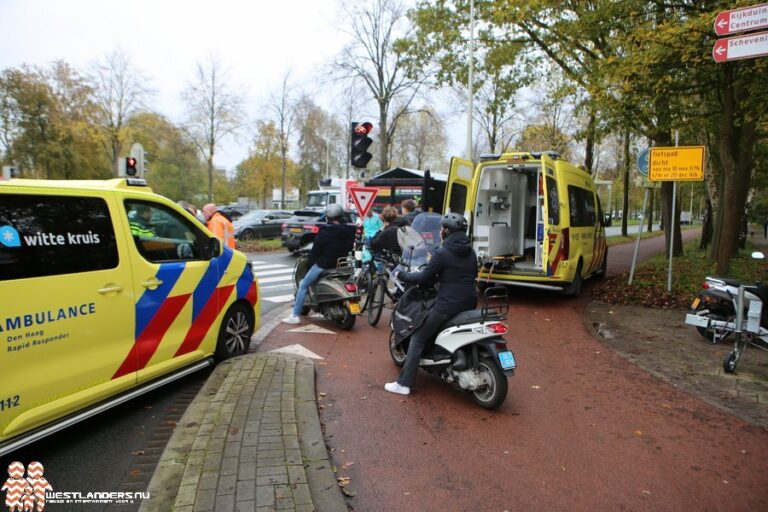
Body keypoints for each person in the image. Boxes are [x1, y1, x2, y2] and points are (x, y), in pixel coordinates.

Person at [384, 213, 478, 395]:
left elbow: (423, 277)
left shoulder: (442, 253)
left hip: (447, 304)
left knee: (418, 338)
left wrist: (401, 275)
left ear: (448, 231)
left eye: (443, 228)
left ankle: (404, 384)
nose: (441, 231)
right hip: (469, 301)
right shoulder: (471, 251)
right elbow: (467, 274)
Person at [283, 204, 355, 324]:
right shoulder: (349, 231)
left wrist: (309, 265)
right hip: (340, 264)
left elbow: (316, 252)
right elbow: (349, 247)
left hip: (324, 265)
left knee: (303, 285)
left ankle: (295, 315)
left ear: (329, 216)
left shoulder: (325, 231)